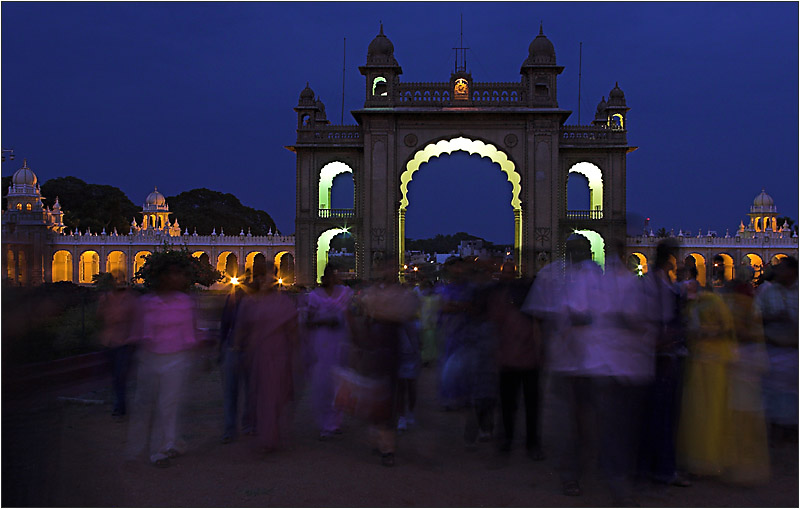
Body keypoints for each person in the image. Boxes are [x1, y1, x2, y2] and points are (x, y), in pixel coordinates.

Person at [125, 263, 200, 467]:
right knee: (143, 404)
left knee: (167, 405)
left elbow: (189, 332)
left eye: (179, 275)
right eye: (172, 275)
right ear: (161, 278)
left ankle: (161, 449)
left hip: (175, 358)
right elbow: (137, 330)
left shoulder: (184, 302)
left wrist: (194, 354)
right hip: (149, 357)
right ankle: (135, 450)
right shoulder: (147, 302)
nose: (177, 279)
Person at [234, 265, 299, 453]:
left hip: (279, 352)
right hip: (258, 353)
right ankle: (267, 435)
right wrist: (236, 348)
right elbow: (240, 329)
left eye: (274, 275)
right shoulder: (249, 302)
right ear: (260, 278)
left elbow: (293, 329)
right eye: (270, 275)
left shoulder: (283, 302)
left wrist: (297, 350)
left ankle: (271, 432)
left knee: (277, 394)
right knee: (262, 394)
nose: (273, 278)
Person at [677, 281, 736, 477]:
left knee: (708, 409)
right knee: (705, 409)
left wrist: (706, 331)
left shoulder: (709, 303)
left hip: (710, 361)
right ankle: (706, 458)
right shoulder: (698, 304)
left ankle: (708, 458)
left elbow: (725, 328)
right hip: (702, 361)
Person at [491, 262, 544, 460]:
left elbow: (494, 325)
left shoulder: (502, 298)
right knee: (529, 405)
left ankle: (508, 442)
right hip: (525, 360)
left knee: (508, 404)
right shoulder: (529, 303)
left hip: (511, 359)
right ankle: (531, 444)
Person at [306, 265, 353, 439]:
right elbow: (309, 321)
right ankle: (325, 423)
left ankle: (335, 422)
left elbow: (350, 316)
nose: (334, 278)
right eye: (331, 275)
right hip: (322, 343)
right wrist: (325, 321)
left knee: (339, 382)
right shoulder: (314, 296)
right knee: (323, 384)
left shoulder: (344, 293)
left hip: (340, 342)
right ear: (324, 277)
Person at [97, 281, 138, 418]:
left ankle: (120, 406)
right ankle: (120, 403)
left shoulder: (130, 299)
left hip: (124, 342)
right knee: (116, 376)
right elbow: (100, 315)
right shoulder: (107, 298)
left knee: (120, 375)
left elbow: (135, 318)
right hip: (110, 341)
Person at [219, 282, 251, 443]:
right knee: (232, 391)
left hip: (249, 349)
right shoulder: (231, 301)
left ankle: (245, 425)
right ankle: (231, 428)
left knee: (249, 391)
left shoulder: (254, 302)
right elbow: (224, 325)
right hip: (233, 348)